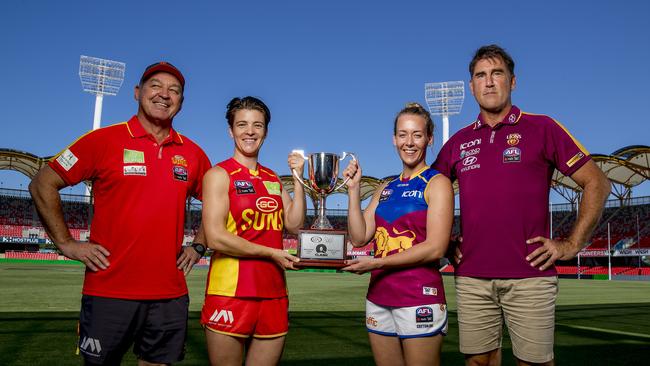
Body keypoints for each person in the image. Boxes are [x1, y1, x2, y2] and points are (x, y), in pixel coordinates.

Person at [433, 44, 611, 366]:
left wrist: (572, 243)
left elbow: (597, 182)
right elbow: (428, 194)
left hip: (530, 275)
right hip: (471, 275)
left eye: (496, 74)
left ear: (512, 82)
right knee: (478, 362)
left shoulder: (542, 127)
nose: (488, 82)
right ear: (472, 86)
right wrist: (442, 241)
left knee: (534, 363)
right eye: (480, 76)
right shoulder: (456, 143)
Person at [29, 61, 212, 365]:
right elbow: (42, 183)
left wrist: (199, 244)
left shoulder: (192, 153)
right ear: (138, 92)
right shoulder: (102, 140)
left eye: (174, 90)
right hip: (109, 291)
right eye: (156, 86)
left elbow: (219, 203)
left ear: (181, 102)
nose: (164, 94)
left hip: (170, 293)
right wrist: (66, 243)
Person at [341, 102, 454, 366]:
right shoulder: (386, 187)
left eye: (417, 135)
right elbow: (359, 237)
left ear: (429, 139)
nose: (409, 142)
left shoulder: (437, 183)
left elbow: (435, 248)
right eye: (403, 134)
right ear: (394, 139)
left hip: (418, 296)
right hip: (379, 296)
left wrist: (378, 262)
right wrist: (353, 190)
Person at [200, 96, 306, 366]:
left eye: (257, 125)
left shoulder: (272, 178)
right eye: (242, 124)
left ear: (266, 132)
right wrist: (271, 252)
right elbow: (215, 236)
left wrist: (297, 178)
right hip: (230, 293)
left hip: (273, 293)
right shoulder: (218, 175)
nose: (250, 131)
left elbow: (294, 224)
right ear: (231, 130)